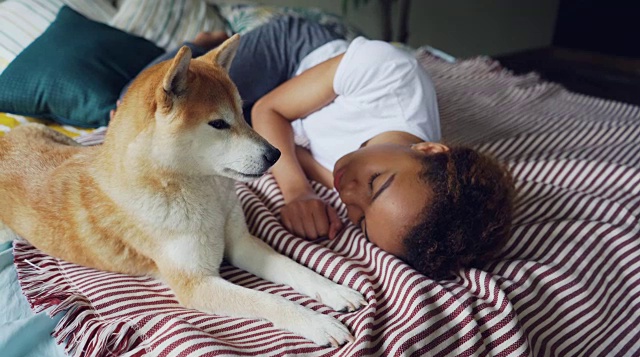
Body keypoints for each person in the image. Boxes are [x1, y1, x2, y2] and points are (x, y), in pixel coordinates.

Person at [116, 16, 515, 280]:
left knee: (218, 118)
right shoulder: (389, 72)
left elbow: (293, 145)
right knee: (126, 105)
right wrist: (297, 191)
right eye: (377, 183)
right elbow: (273, 110)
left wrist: (299, 165)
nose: (348, 191)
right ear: (429, 149)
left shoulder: (359, 184)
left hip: (280, 113)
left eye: (358, 218)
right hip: (294, 56)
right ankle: (208, 39)